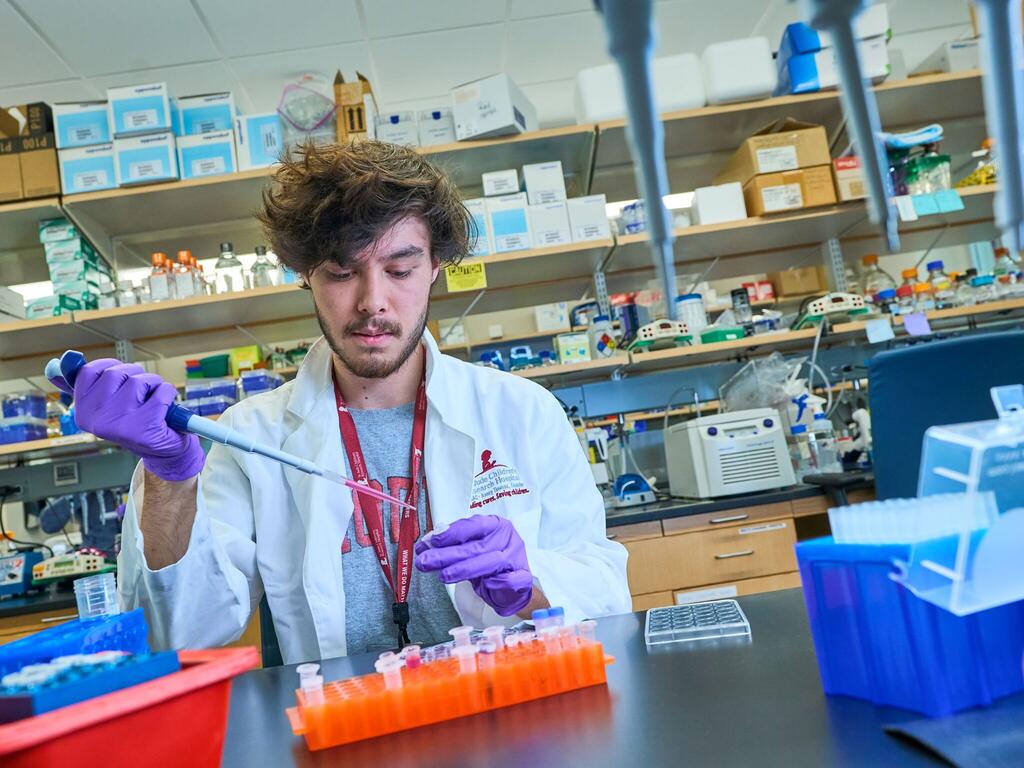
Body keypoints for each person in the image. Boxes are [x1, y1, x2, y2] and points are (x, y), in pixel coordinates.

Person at [74, 141, 630, 664]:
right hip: (344, 728)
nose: (372, 302)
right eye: (342, 272)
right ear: (305, 277)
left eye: (400, 270)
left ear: (436, 266)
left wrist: (530, 581)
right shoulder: (250, 439)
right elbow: (178, 635)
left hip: (516, 716)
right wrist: (168, 474)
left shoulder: (523, 412)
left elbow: (608, 592)